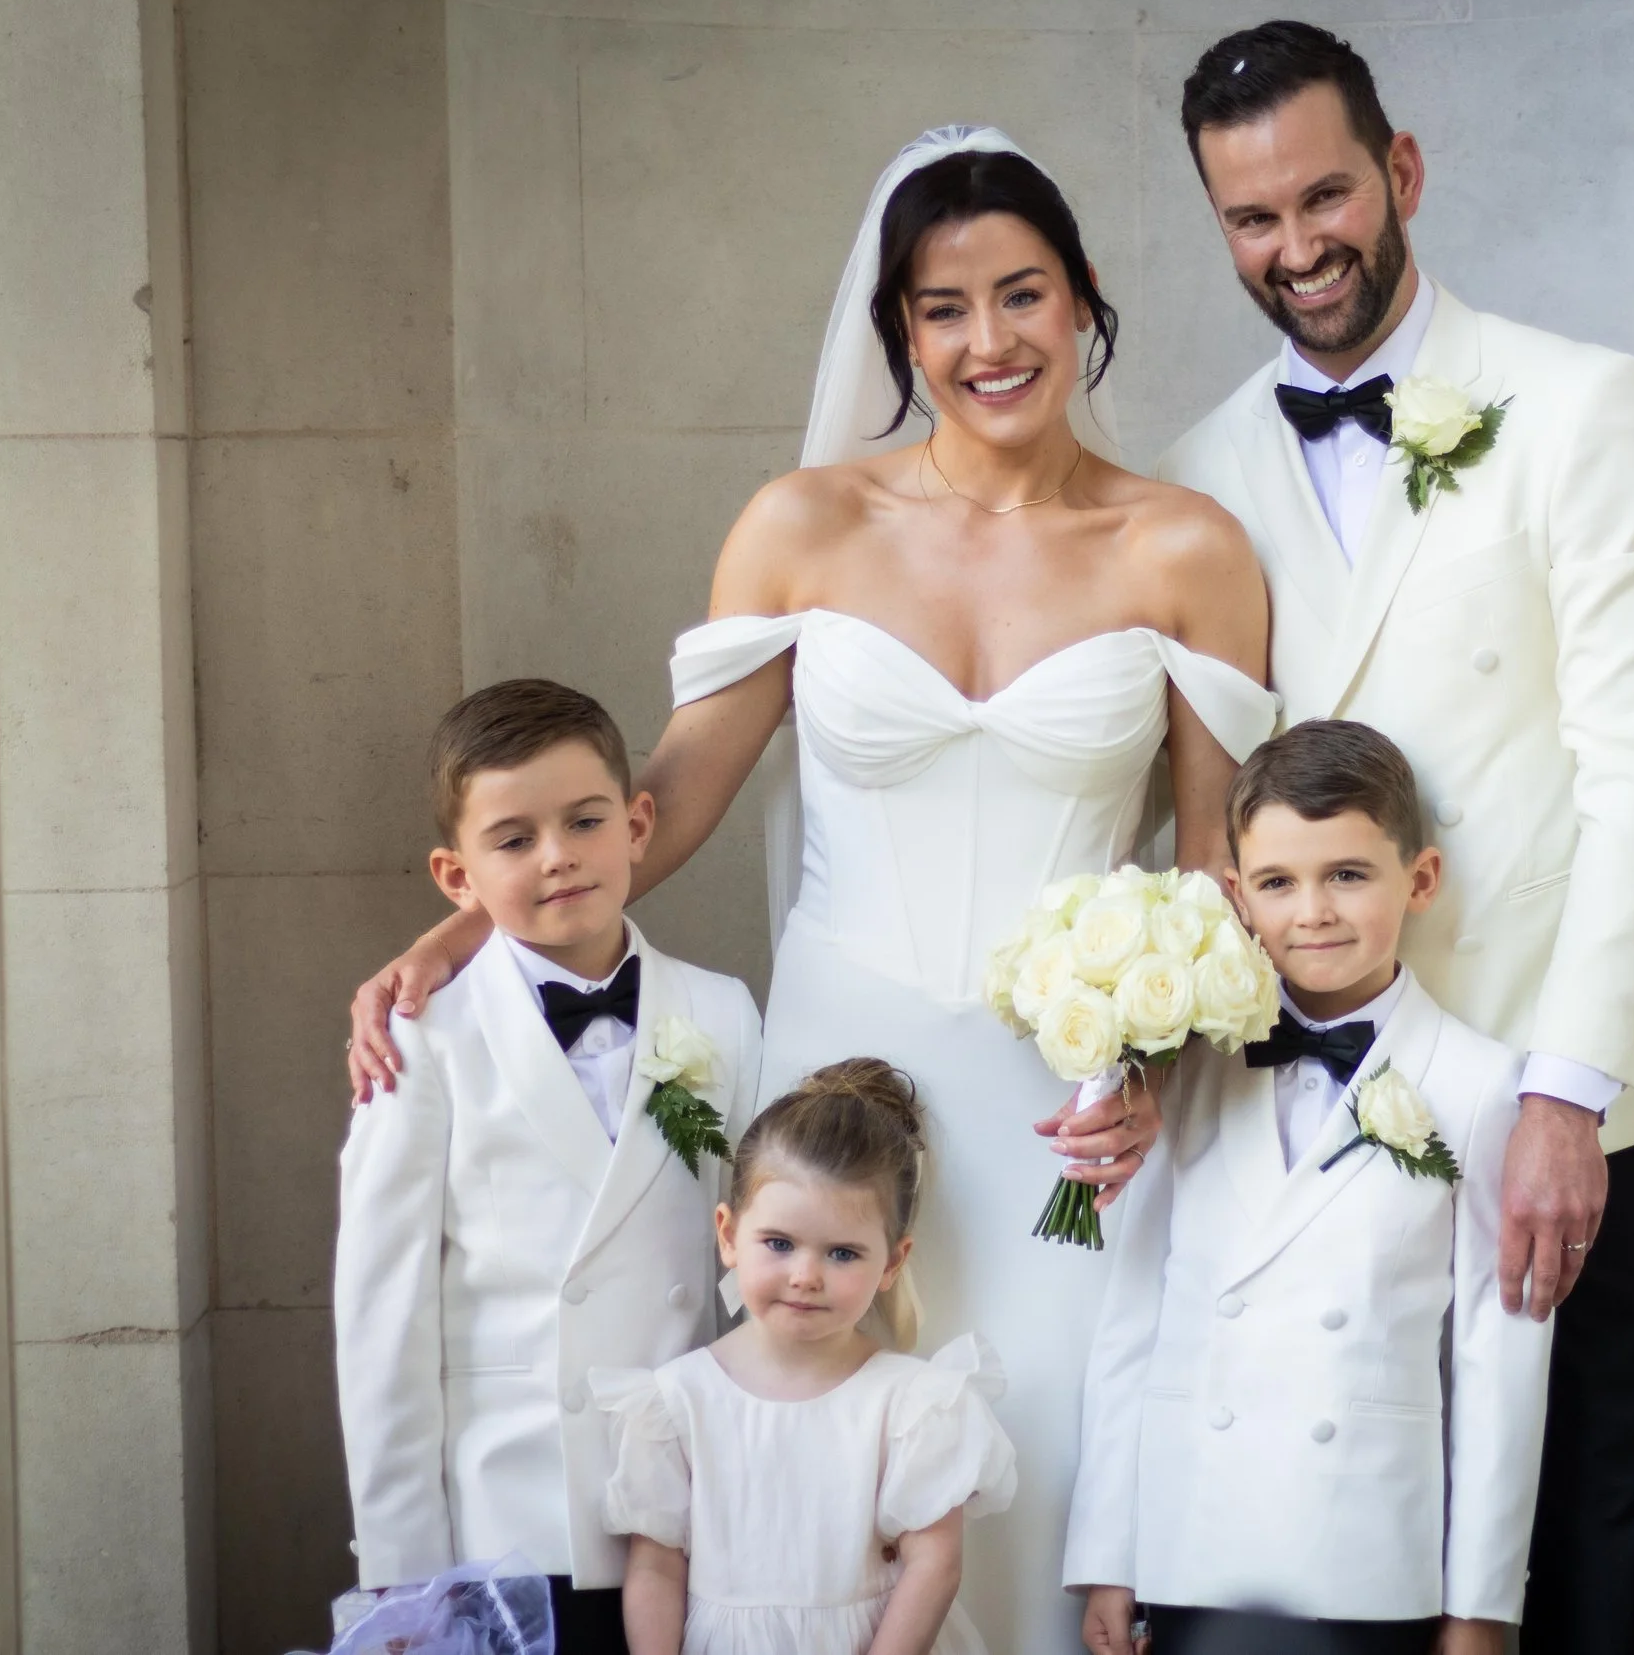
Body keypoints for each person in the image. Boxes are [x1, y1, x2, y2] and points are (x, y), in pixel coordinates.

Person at [345, 129, 1276, 1651]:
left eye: (1023, 294)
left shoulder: (1184, 547)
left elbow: (1218, 870)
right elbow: (667, 795)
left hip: (1067, 1113)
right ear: (898, 330)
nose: (989, 341)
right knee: (817, 1491)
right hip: (840, 1074)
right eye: (943, 308)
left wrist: (1158, 1070)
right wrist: (475, 919)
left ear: (1085, 298)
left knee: (1033, 1487)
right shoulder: (802, 526)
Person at [1161, 24, 1634, 1655]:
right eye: (1251, 220)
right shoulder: (1197, 478)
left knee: (1586, 1546)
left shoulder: (1581, 404)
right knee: (1376, 1562)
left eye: (1325, 195)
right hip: (1336, 1094)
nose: (1298, 248)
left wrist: (1571, 1088)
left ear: (1401, 171)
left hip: (1576, 1063)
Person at [1065, 720, 1552, 1655]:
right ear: (1238, 894)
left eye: (1349, 874)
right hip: (1194, 1537)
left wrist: (1483, 1607)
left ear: (1421, 880)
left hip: (1367, 1554)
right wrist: (1108, 1553)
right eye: (1280, 882)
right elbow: (1132, 1315)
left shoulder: (1480, 1081)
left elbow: (1498, 1365)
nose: (1314, 911)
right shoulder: (1183, 1063)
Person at [335, 679, 765, 1655]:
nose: (558, 854)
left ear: (639, 822)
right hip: (512, 1513)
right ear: (456, 875)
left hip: (689, 1504)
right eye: (514, 837)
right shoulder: (425, 1040)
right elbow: (381, 1311)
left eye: (583, 820)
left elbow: (752, 1260)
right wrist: (402, 1563)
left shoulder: (723, 1010)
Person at [593, 1058, 1019, 1655]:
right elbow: (656, 1568)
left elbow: (935, 1566)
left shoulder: (915, 1405)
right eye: (779, 1243)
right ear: (728, 1234)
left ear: (893, 1262)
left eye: (843, 1253)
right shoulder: (676, 1401)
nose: (805, 1276)